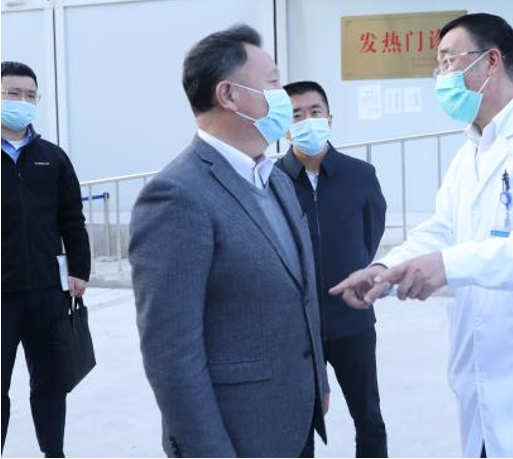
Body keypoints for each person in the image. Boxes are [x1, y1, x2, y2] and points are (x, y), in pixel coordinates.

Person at [328, 13, 513, 457]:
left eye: (447, 61)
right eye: (438, 65)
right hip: (482, 385)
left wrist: (450, 265)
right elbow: (443, 229)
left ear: (490, 61)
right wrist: (385, 269)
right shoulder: (469, 152)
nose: (440, 76)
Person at [130, 24, 328, 457]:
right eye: (272, 83)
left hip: (294, 420)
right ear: (229, 95)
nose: (283, 96)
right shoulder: (176, 196)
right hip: (236, 434)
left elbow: (299, 292)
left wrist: (317, 383)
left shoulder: (274, 177)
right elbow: (171, 354)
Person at [275, 81, 390, 457]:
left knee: (368, 417)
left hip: (352, 317)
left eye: (315, 111)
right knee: (297, 425)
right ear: (285, 127)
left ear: (329, 118)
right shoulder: (271, 181)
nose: (307, 120)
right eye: (296, 115)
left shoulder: (360, 175)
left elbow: (371, 233)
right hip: (295, 326)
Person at [1, 60, 90, 458]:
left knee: (52, 383)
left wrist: (80, 270)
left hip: (47, 293)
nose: (21, 101)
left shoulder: (52, 157)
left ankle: (54, 453)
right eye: (12, 93)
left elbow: (72, 218)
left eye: (29, 95)